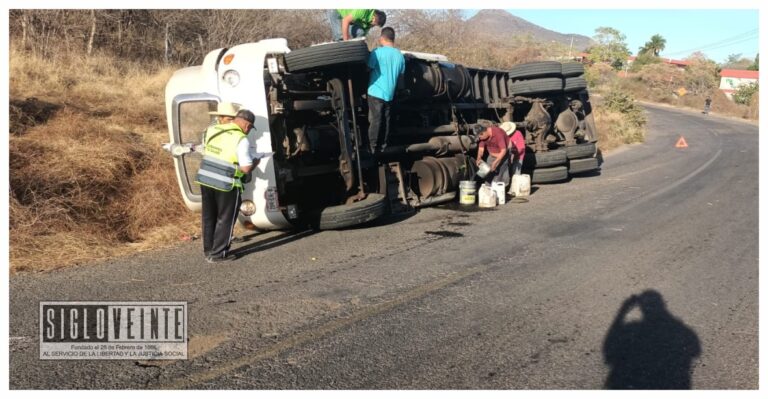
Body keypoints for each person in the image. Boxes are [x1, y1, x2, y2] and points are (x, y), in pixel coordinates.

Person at [195, 109, 258, 263]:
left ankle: (209, 250)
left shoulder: (212, 130)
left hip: (205, 179)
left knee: (209, 216)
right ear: (247, 125)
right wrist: (256, 161)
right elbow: (245, 168)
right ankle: (218, 254)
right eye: (249, 128)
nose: (248, 131)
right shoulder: (240, 138)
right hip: (226, 183)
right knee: (225, 218)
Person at [367, 27, 405, 155]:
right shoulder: (400, 56)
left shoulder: (377, 52)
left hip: (375, 91)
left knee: (375, 119)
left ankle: (372, 147)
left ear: (382, 38)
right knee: (387, 120)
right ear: (393, 39)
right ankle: (383, 146)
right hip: (390, 94)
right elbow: (401, 77)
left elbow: (368, 68)